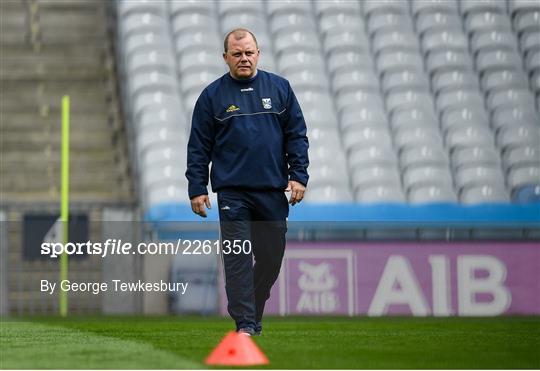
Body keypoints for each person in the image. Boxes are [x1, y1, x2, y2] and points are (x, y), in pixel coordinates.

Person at [186, 28, 309, 336]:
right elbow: (198, 147)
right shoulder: (211, 96)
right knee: (238, 257)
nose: (244, 58)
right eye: (237, 54)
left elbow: (297, 136)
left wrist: (299, 176)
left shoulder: (280, 89)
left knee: (270, 258)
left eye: (249, 52)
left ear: (258, 53)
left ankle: (252, 306)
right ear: (225, 58)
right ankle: (245, 324)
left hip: (271, 191)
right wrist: (197, 188)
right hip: (232, 193)